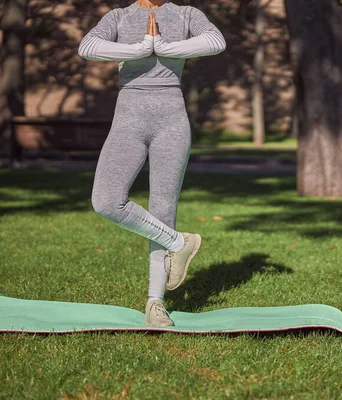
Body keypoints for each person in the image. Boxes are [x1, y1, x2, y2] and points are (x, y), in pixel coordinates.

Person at [78, 0, 226, 327]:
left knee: (163, 208)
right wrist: (142, 48)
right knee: (105, 200)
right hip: (127, 120)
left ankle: (155, 304)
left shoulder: (187, 14)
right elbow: (87, 47)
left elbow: (216, 41)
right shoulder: (118, 17)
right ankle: (179, 242)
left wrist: (166, 46)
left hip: (172, 120)